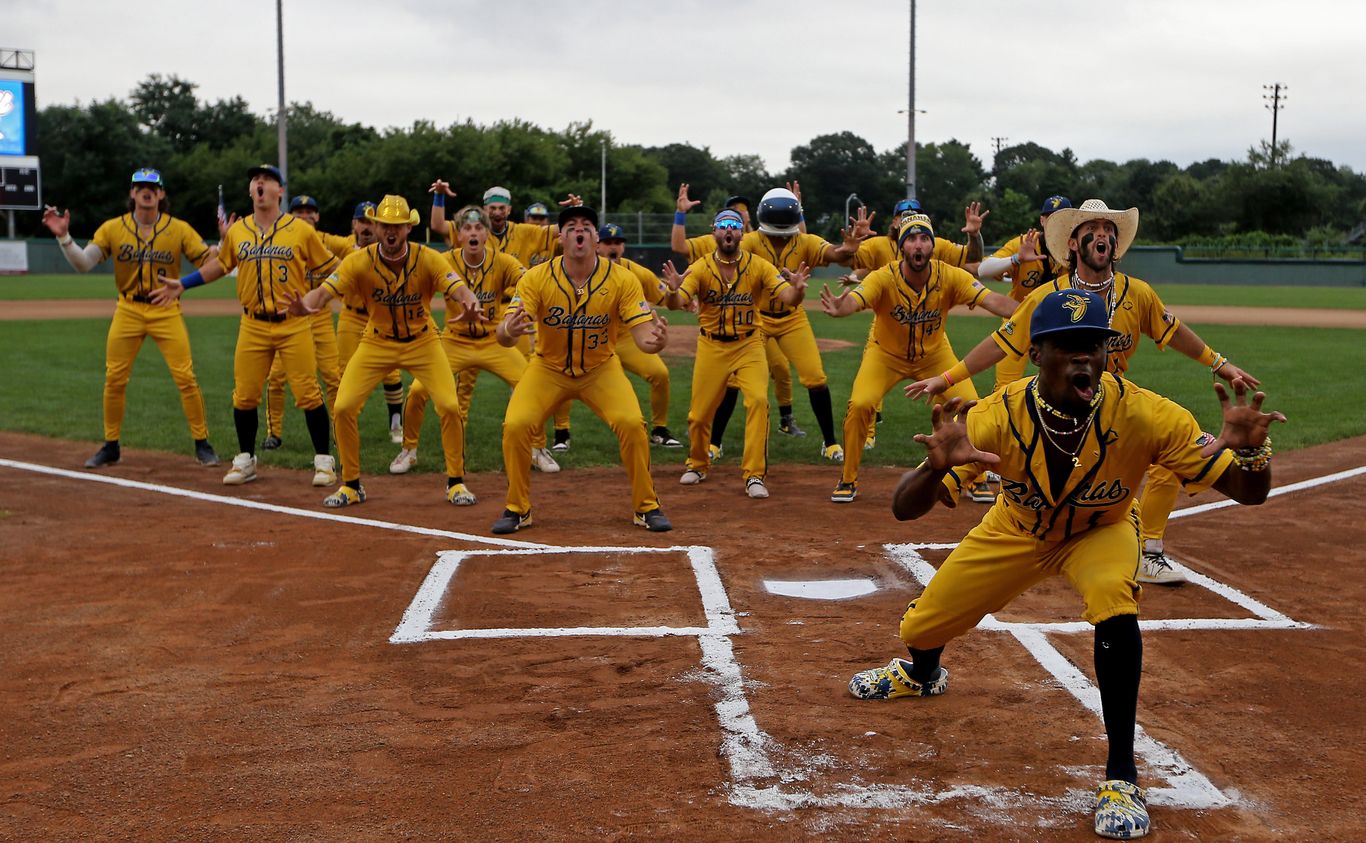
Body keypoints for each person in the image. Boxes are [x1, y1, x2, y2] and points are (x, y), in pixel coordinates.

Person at [850, 288, 1285, 840]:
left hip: (1100, 530)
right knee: (920, 626)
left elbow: (1249, 494)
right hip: (1017, 529)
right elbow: (902, 509)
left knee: (1113, 598)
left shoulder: (1148, 414)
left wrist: (1249, 453)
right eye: (1067, 346)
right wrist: (934, 470)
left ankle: (1121, 777)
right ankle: (923, 672)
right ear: (1037, 354)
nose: (1084, 357)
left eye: (1094, 346)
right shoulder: (995, 416)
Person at [904, 199, 1260, 585]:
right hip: (1056, 404)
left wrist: (1218, 362)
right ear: (1073, 243)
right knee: (1011, 437)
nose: (1103, 234)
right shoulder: (1048, 297)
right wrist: (947, 378)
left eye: (1110, 229)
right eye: (1092, 228)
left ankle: (1150, 550)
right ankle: (964, 485)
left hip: (1112, 405)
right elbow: (1003, 342)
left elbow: (1173, 331)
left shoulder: (1136, 293)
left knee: (1165, 451)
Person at [286, 195, 484, 507]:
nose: (391, 231)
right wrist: (305, 305)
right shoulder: (359, 261)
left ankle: (456, 482)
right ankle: (351, 485)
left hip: (423, 341)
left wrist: (471, 302)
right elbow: (323, 293)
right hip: (376, 341)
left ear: (408, 228)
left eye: (397, 226)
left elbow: (458, 287)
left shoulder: (428, 258)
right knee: (343, 407)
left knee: (449, 405)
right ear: (376, 227)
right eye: (384, 225)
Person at [151, 164, 340, 488]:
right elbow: (221, 265)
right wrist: (184, 284)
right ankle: (246, 459)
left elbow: (334, 268)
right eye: (255, 180)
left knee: (308, 393)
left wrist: (317, 299)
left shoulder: (301, 231)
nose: (260, 183)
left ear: (280, 191)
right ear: (251, 191)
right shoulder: (239, 232)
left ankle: (324, 461)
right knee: (245, 396)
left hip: (292, 323)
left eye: (267, 180)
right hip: (252, 324)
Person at [491, 205, 672, 535]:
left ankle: (646, 506)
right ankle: (518, 508)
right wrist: (509, 331)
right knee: (516, 425)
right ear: (561, 237)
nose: (579, 231)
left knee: (632, 423)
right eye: (571, 226)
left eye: (587, 226)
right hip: (548, 368)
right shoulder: (535, 278)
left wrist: (657, 343)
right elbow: (504, 335)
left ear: (595, 238)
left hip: (600, 369)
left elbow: (644, 338)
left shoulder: (622, 279)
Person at [819, 214, 1017, 503]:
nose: (918, 245)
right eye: (911, 239)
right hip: (885, 355)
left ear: (932, 246)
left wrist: (1032, 311)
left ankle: (976, 477)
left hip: (935, 355)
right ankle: (848, 477)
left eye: (924, 238)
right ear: (902, 247)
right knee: (861, 404)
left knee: (973, 409)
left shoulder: (949, 275)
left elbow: (994, 300)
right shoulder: (884, 277)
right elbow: (857, 298)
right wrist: (842, 307)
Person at [675, 186, 872, 462]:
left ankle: (830, 443)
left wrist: (850, 249)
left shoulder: (805, 241)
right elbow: (719, 252)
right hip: (758, 320)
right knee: (732, 381)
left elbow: (835, 254)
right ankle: (715, 443)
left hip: (792, 318)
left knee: (815, 377)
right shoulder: (751, 241)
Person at [41, 168, 219, 468]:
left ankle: (202, 443)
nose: (146, 191)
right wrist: (64, 238)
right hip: (128, 308)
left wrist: (223, 245)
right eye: (139, 186)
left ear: (161, 194)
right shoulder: (113, 228)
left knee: (186, 377)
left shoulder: (179, 229)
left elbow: (210, 263)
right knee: (114, 378)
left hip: (165, 308)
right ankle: (111, 445)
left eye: (152, 187)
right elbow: (85, 263)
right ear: (132, 194)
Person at [389, 205, 560, 477]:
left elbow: (529, 279)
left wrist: (530, 304)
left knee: (530, 385)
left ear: (486, 234)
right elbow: (414, 286)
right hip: (454, 341)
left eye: (479, 228)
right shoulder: (444, 260)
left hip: (493, 341)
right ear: (458, 234)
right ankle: (409, 450)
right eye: (467, 228)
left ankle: (537, 449)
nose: (473, 232)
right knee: (418, 391)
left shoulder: (501, 261)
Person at [661, 209, 809, 498]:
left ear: (742, 233)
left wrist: (799, 290)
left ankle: (754, 475)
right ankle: (699, 464)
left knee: (758, 401)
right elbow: (677, 302)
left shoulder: (760, 266)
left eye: (734, 226)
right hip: (711, 346)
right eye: (723, 226)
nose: (728, 231)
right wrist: (672, 290)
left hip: (749, 344)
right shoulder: (701, 267)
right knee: (699, 415)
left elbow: (788, 298)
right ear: (714, 232)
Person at [842, 197, 989, 451]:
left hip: (929, 331)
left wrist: (974, 236)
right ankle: (868, 433)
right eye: (903, 214)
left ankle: (966, 457)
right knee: (865, 396)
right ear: (895, 221)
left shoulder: (935, 244)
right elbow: (854, 260)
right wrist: (857, 245)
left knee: (964, 399)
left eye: (916, 213)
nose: (909, 218)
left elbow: (972, 258)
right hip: (887, 326)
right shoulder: (879, 245)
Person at [672, 184, 799, 441]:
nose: (737, 217)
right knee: (709, 403)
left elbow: (794, 240)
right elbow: (680, 249)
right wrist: (680, 214)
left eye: (742, 213)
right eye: (732, 212)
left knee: (774, 378)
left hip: (753, 329)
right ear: (715, 227)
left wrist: (795, 211)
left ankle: (776, 431)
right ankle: (707, 433)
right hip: (716, 334)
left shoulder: (757, 243)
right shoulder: (711, 247)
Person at [258, 194, 344, 450]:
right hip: (291, 320)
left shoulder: (329, 241)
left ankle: (340, 430)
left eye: (310, 211)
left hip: (320, 318)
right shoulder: (281, 238)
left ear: (317, 216)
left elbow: (352, 256)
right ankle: (273, 432)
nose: (305, 216)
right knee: (276, 377)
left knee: (333, 377)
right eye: (298, 211)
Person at [326, 201, 409, 446]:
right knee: (345, 372)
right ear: (354, 224)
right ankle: (343, 423)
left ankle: (396, 423)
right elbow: (315, 237)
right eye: (361, 221)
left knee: (391, 371)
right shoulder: (344, 246)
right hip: (351, 315)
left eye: (371, 223)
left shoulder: (389, 250)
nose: (366, 227)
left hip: (382, 316)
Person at [599, 221, 684, 448]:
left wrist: (677, 292)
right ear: (597, 246)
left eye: (618, 242)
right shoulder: (586, 270)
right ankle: (562, 434)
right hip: (596, 340)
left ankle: (659, 429)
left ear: (624, 247)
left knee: (660, 374)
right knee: (565, 374)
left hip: (628, 338)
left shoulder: (636, 272)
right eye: (608, 242)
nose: (613, 247)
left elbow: (668, 299)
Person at [976, 195, 1072, 390]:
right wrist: (1017, 258)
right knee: (1004, 388)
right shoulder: (1025, 242)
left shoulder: (1076, 247)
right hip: (1019, 320)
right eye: (1050, 218)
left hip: (1057, 325)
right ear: (1042, 221)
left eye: (1062, 218)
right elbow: (983, 270)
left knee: (1066, 384)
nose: (1055, 224)